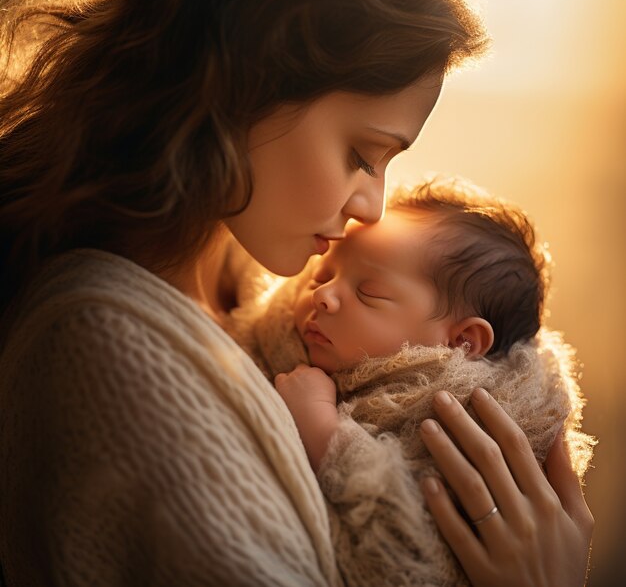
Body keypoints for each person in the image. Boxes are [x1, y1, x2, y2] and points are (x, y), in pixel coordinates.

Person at [0, 0, 593, 586]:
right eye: (361, 155)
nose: (372, 206)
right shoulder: (111, 351)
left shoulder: (238, 278)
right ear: (244, 83)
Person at [225, 178, 595, 585]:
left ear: (461, 342)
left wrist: (322, 429)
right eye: (322, 275)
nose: (323, 296)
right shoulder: (291, 327)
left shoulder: (463, 417)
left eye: (368, 293)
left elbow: (413, 550)